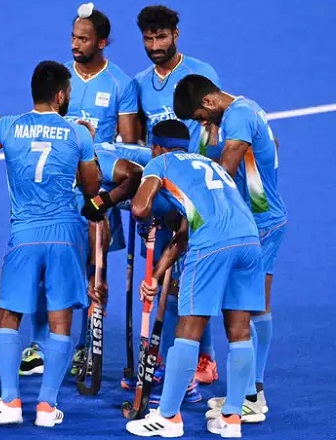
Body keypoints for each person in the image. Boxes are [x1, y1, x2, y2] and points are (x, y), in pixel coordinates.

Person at [0, 60, 101, 427]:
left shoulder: (6, 127)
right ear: (61, 95)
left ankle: (10, 402)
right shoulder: (77, 133)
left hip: (25, 236)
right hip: (66, 237)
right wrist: (87, 147)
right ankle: (47, 407)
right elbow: (93, 189)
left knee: (8, 316)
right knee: (60, 317)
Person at [20, 2, 141, 378]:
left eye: (83, 39)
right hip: (57, 189)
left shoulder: (121, 83)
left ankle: (87, 345)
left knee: (94, 270)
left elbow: (129, 145)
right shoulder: (59, 78)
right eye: (73, 37)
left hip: (95, 190)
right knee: (47, 264)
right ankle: (39, 345)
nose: (75, 44)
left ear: (101, 42)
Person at [126, 119, 264, 438]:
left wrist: (150, 217)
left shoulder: (160, 162)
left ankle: (168, 417)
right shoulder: (209, 164)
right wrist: (157, 274)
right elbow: (186, 231)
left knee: (187, 329)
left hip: (212, 245)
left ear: (156, 147)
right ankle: (231, 416)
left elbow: (139, 208)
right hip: (249, 241)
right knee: (240, 329)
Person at [173, 74, 287, 422]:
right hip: (255, 220)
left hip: (260, 223)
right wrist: (211, 134)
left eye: (199, 117)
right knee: (249, 307)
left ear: (208, 102)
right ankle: (248, 392)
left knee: (248, 309)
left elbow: (223, 174)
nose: (201, 124)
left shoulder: (237, 116)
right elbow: (272, 146)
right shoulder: (236, 114)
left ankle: (252, 395)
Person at [133, 4, 223, 388]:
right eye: (148, 39)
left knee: (191, 281)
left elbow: (214, 130)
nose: (155, 46)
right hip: (161, 193)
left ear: (176, 35)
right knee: (164, 279)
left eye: (161, 37)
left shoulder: (201, 74)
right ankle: (166, 357)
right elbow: (140, 139)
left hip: (195, 194)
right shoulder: (139, 83)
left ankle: (204, 357)